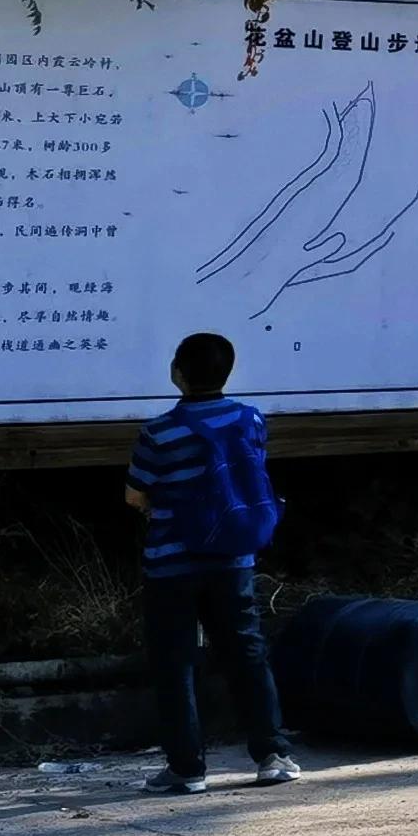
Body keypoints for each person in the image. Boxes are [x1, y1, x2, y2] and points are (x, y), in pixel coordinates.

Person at [128, 332, 297, 794]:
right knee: (246, 651)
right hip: (233, 556)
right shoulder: (250, 419)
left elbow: (134, 493)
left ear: (178, 372)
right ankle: (273, 755)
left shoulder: (159, 431)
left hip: (171, 564)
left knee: (175, 661)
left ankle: (187, 768)